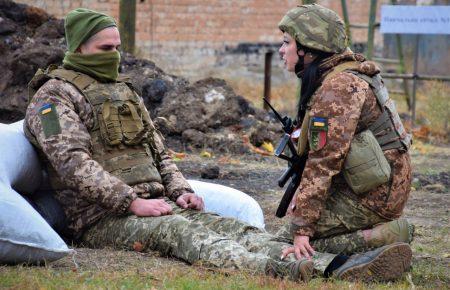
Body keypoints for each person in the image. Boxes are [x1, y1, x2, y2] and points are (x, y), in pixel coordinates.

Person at [24, 7, 410, 283]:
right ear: (78, 49)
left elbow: (157, 149)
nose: (116, 57)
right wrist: (131, 202)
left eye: (117, 48)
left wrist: (181, 190)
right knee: (183, 235)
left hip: (156, 201)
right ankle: (307, 267)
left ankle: (338, 262)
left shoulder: (122, 91)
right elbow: (71, 163)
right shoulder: (52, 98)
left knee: (235, 230)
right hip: (101, 217)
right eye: (104, 50)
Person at [274, 3, 414, 276]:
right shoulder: (344, 73)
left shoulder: (338, 87)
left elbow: (324, 162)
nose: (281, 50)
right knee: (296, 229)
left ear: (308, 48)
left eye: (286, 42)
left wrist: (302, 229)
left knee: (287, 239)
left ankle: (383, 237)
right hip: (378, 185)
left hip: (375, 196)